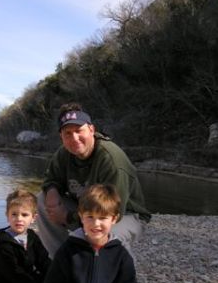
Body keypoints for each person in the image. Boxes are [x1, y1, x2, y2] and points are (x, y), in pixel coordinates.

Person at [37, 102, 150, 258]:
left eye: (78, 130)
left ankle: (119, 277)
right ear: (61, 136)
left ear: (91, 129)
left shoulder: (111, 160)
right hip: (86, 208)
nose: (74, 138)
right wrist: (51, 191)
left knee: (106, 235)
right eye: (67, 133)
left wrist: (66, 217)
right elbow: (51, 178)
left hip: (123, 214)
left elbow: (112, 211)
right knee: (42, 199)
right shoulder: (64, 152)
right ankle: (60, 260)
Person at [0, 189, 51, 283]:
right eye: (14, 214)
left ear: (33, 217)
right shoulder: (2, 245)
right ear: (7, 216)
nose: (19, 219)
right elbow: (14, 273)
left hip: (29, 279)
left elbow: (44, 260)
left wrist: (50, 278)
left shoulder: (32, 237)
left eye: (24, 215)